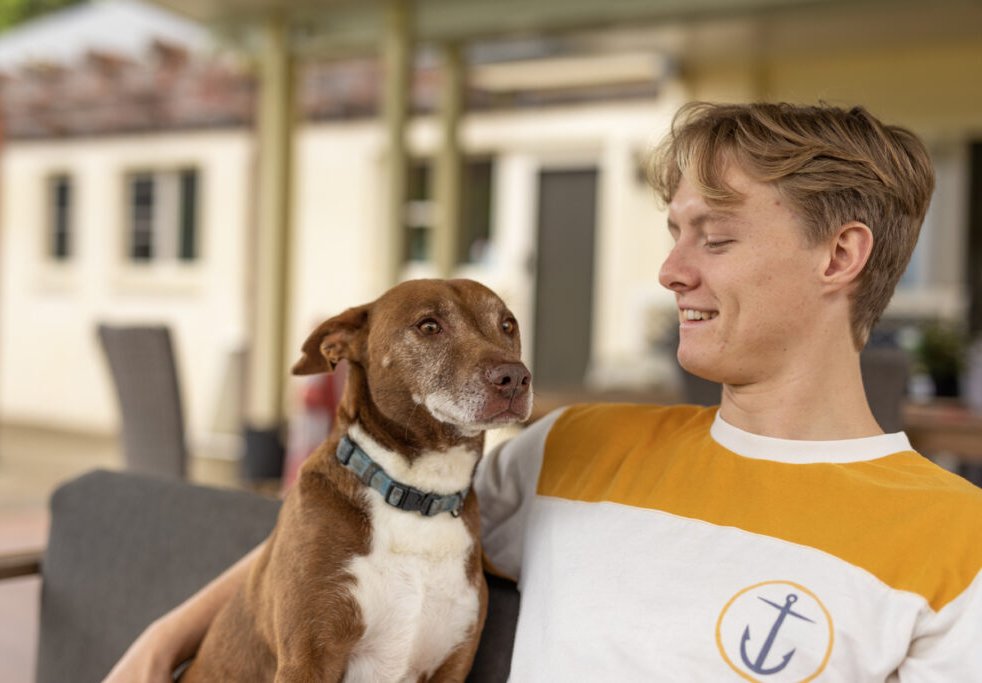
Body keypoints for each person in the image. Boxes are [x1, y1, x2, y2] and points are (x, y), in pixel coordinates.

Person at [104, 102, 982, 682]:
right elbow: (344, 528)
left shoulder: (955, 548)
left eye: (713, 238)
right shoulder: (578, 447)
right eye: (674, 234)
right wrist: (162, 641)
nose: (671, 271)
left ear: (840, 257)